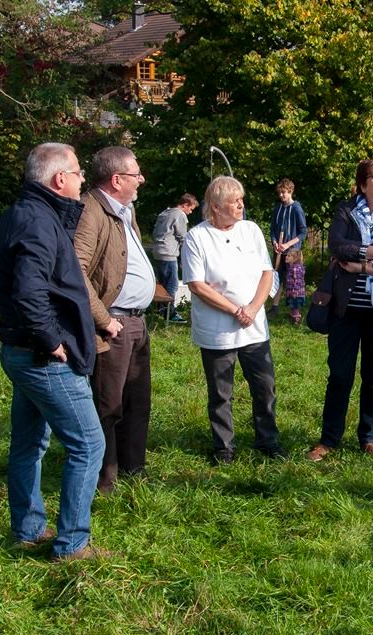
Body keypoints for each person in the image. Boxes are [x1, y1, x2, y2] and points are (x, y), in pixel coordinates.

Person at [0, 143, 108, 561]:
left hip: (22, 349)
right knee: (89, 445)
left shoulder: (21, 214)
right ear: (59, 179)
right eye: (77, 172)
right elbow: (28, 291)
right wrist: (52, 341)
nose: (81, 179)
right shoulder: (36, 221)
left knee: (28, 444)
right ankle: (72, 545)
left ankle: (27, 529)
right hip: (42, 357)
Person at [307, 159, 373, 461]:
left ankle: (368, 438)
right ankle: (329, 439)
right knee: (339, 375)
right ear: (363, 184)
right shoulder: (346, 212)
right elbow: (337, 246)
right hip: (346, 309)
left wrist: (365, 267)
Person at [182, 176, 285, 463]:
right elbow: (197, 285)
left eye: (241, 200)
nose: (241, 205)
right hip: (217, 331)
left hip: (253, 327)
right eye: (234, 201)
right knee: (220, 392)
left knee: (264, 387)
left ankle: (268, 440)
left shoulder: (250, 230)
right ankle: (224, 447)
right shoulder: (197, 237)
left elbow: (267, 272)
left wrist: (252, 308)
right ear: (215, 207)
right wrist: (234, 310)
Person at [74, 146, 156, 494]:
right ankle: (105, 480)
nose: (141, 179)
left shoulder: (125, 211)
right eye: (136, 173)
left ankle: (133, 470)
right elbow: (75, 269)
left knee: (137, 402)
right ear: (116, 178)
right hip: (114, 324)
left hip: (136, 322)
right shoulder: (91, 209)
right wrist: (103, 319)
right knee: (109, 403)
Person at [151, 193, 199, 322]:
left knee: (163, 284)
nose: (190, 212)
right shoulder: (179, 215)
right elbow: (183, 237)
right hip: (169, 253)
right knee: (172, 285)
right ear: (185, 205)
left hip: (158, 251)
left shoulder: (165, 213)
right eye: (191, 209)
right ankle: (170, 314)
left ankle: (161, 309)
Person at [267, 178, 308, 318]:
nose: (281, 195)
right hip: (278, 250)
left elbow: (303, 232)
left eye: (283, 192)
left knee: (294, 281)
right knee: (277, 278)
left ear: (290, 191)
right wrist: (275, 243)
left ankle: (295, 311)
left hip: (293, 252)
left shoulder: (297, 208)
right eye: (279, 193)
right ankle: (274, 306)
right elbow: (272, 229)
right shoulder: (277, 208)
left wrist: (287, 244)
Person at [284, 248, 306, 325]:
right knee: (292, 306)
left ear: (295, 258)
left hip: (296, 293)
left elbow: (298, 281)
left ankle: (296, 321)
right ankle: (292, 317)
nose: (286, 257)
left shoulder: (296, 268)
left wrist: (295, 291)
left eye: (289, 256)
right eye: (287, 255)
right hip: (292, 292)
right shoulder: (291, 267)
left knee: (295, 307)